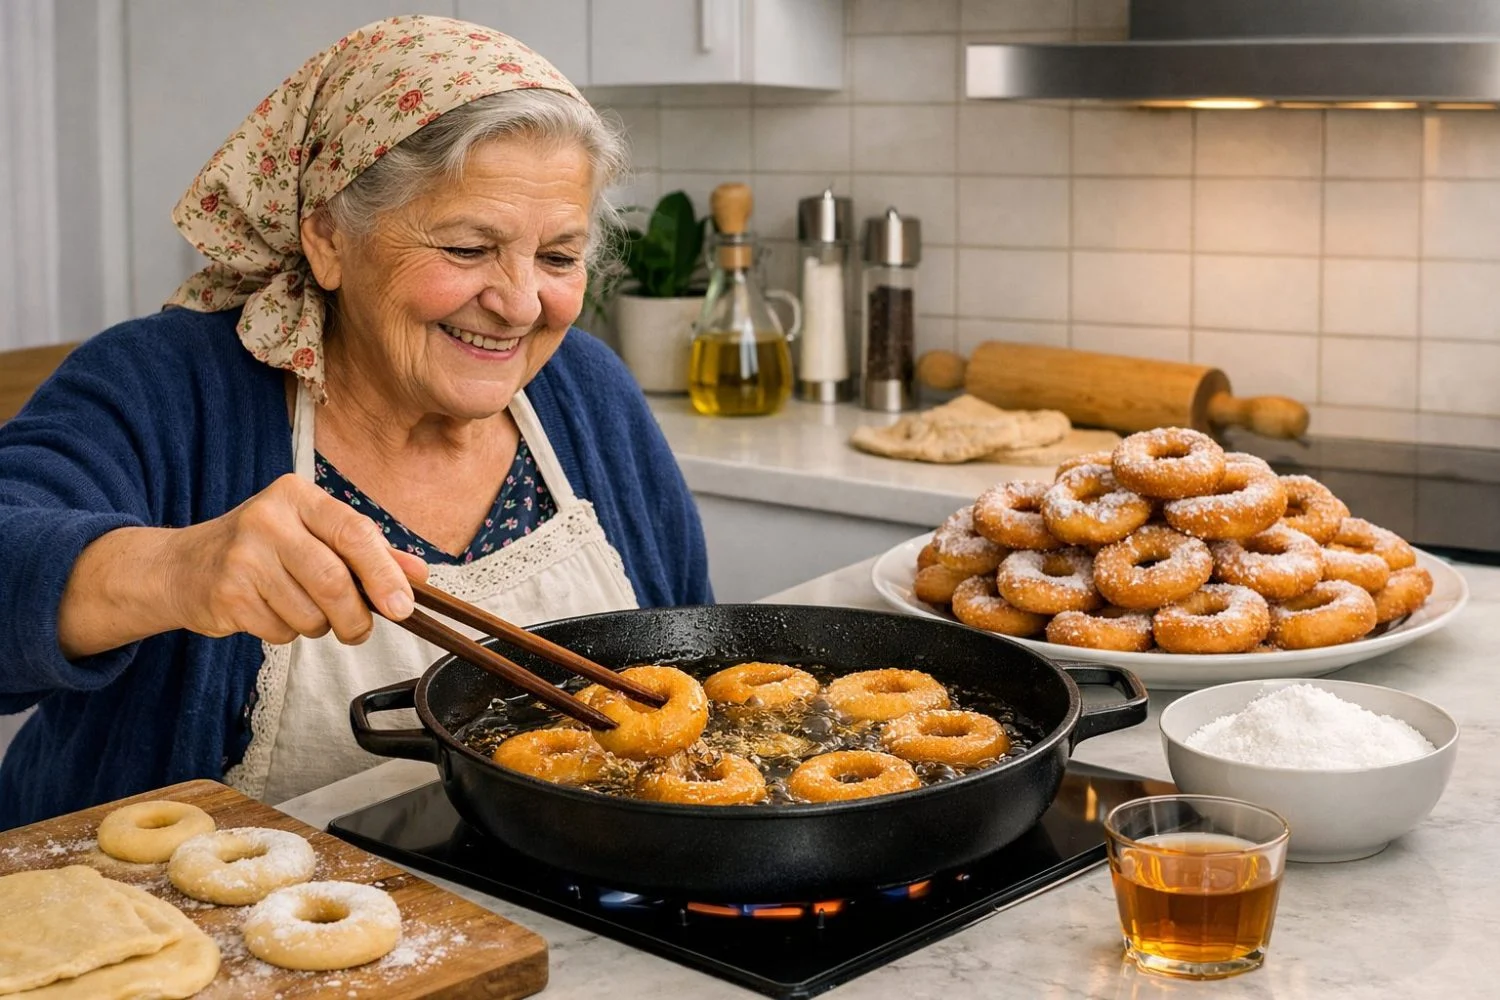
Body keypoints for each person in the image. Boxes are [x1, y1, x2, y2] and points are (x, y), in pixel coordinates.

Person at [0, 15, 711, 828]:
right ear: (330, 239)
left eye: (557, 257)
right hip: (170, 934)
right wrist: (177, 569)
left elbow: (686, 657)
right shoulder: (169, 384)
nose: (519, 304)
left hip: (545, 915)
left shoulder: (590, 394)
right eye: (468, 249)